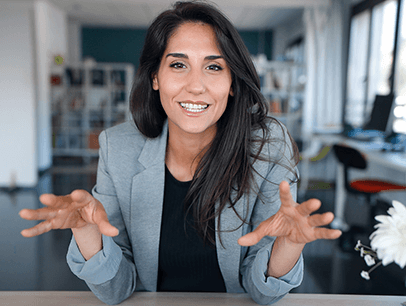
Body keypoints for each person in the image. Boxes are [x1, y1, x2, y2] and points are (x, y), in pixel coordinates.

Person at [19, 1, 342, 305]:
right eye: (178, 64)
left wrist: (289, 244)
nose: (196, 86)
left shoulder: (267, 146)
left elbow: (262, 294)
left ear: (232, 82)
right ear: (155, 77)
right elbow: (116, 290)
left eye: (214, 67)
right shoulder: (118, 146)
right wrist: (86, 231)